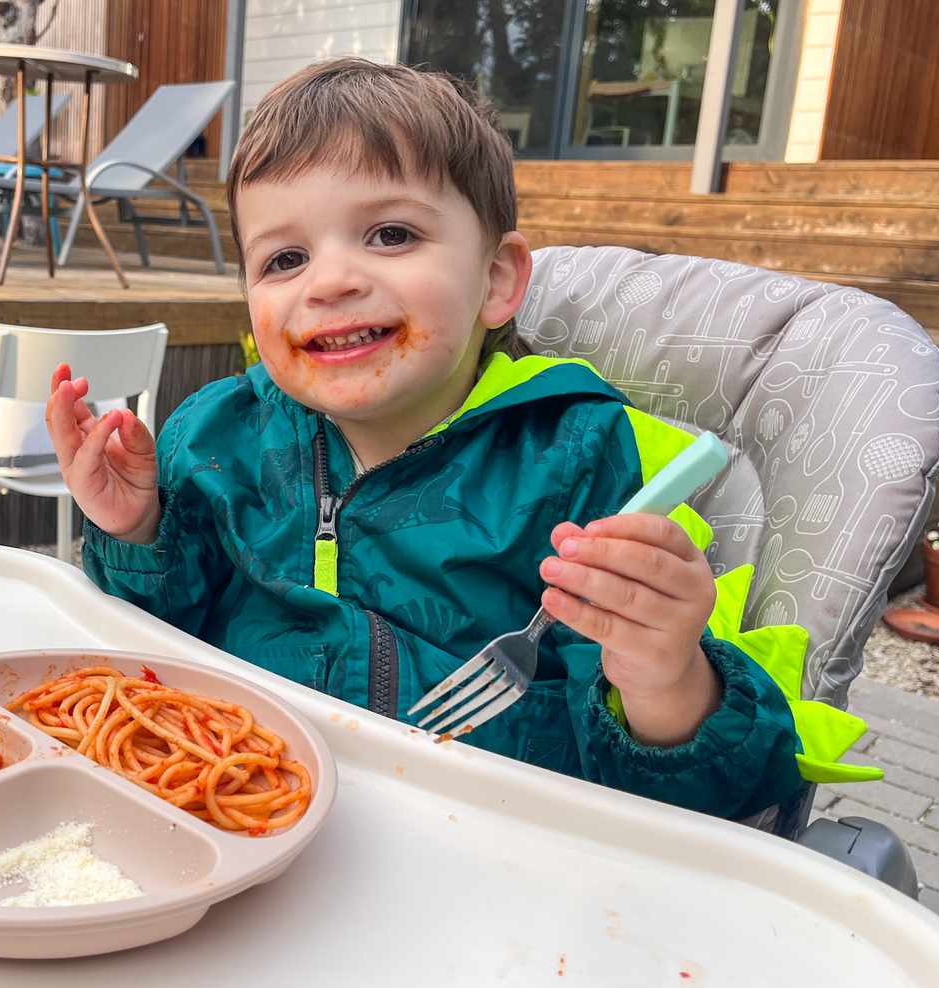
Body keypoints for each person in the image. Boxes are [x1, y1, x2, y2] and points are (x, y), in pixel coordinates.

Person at [44, 57, 859, 822]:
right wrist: (137, 533)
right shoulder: (216, 433)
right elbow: (159, 645)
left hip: (480, 843)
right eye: (284, 257)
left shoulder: (576, 459)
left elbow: (683, 795)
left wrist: (663, 677)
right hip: (224, 803)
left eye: (391, 235)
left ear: (497, 280)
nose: (330, 281)